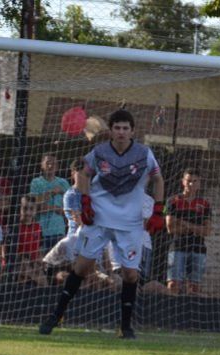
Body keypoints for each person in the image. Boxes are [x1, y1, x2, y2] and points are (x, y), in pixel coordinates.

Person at [38, 108, 164, 339]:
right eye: (117, 128)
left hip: (130, 224)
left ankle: (125, 326)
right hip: (99, 220)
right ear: (112, 130)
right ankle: (57, 314)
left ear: (132, 131)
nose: (121, 132)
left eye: (126, 128)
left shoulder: (144, 154)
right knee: (81, 267)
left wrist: (158, 210)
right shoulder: (99, 152)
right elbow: (83, 175)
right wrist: (85, 201)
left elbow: (158, 179)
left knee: (130, 275)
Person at [165, 168, 212, 295]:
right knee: (173, 284)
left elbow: (206, 231)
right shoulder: (172, 201)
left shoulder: (205, 204)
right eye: (188, 181)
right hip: (177, 246)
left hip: (198, 248)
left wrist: (184, 223)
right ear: (183, 182)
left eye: (194, 181)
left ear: (199, 183)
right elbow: (170, 228)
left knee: (194, 287)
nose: (191, 184)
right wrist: (196, 228)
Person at [29, 153, 69, 254]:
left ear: (57, 166)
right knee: (42, 261)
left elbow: (68, 209)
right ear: (42, 165)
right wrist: (52, 193)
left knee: (58, 262)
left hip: (59, 230)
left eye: (53, 163)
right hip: (40, 230)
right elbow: (34, 205)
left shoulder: (64, 183)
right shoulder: (36, 182)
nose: (50, 166)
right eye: (47, 163)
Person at [15, 196, 46, 286]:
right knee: (27, 271)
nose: (28, 212)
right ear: (20, 208)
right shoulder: (15, 227)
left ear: (36, 211)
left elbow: (39, 248)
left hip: (34, 264)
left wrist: (41, 261)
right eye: (25, 208)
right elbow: (5, 249)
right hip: (19, 264)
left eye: (31, 209)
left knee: (44, 282)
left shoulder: (38, 227)